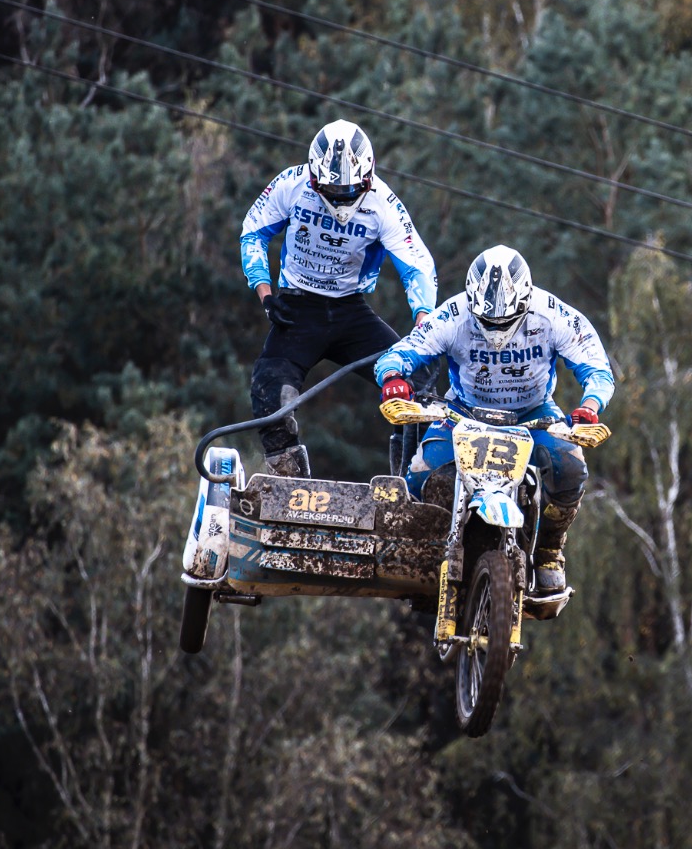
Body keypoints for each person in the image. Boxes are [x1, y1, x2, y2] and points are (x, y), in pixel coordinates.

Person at [373, 245, 614, 597]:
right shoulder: (453, 314)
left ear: (526, 301)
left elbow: (597, 368)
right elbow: (401, 352)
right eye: (486, 321)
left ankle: (549, 550)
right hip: (463, 413)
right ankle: (417, 550)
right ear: (472, 302)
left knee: (572, 468)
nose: (496, 329)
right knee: (421, 474)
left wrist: (590, 406)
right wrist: (393, 377)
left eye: (505, 321)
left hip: (533, 414)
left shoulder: (553, 315)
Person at [240, 119, 437, 477]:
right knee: (270, 392)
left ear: (367, 177)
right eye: (330, 190)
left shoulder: (383, 204)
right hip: (297, 311)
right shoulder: (291, 184)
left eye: (348, 191)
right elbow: (253, 232)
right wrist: (265, 294)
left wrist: (422, 321)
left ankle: (414, 480)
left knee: (418, 386)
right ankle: (288, 480)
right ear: (314, 177)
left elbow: (417, 265)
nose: (339, 199)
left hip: (351, 313)